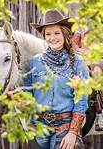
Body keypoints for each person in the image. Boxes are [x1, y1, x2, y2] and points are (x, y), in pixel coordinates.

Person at [25, 9, 89, 149]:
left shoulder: (78, 63)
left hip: (65, 129)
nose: (52, 38)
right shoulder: (34, 63)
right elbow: (27, 96)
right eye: (48, 34)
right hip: (38, 129)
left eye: (56, 33)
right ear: (44, 36)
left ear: (64, 34)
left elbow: (81, 101)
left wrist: (73, 132)